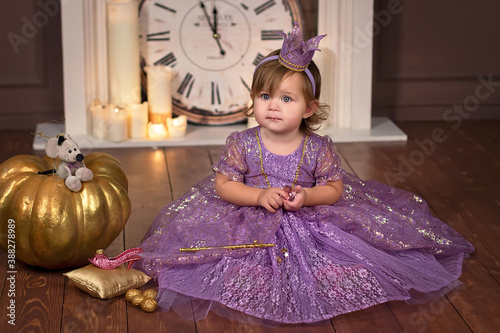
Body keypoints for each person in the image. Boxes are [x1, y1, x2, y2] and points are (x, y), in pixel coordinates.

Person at [135, 23, 474, 324]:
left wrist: (309, 195)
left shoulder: (317, 147)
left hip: (309, 215)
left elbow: (334, 188)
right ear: (253, 98)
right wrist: (257, 195)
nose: (273, 105)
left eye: (286, 98)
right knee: (226, 256)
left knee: (342, 254)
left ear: (310, 108)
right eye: (264, 96)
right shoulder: (241, 142)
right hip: (248, 214)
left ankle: (327, 280)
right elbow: (223, 185)